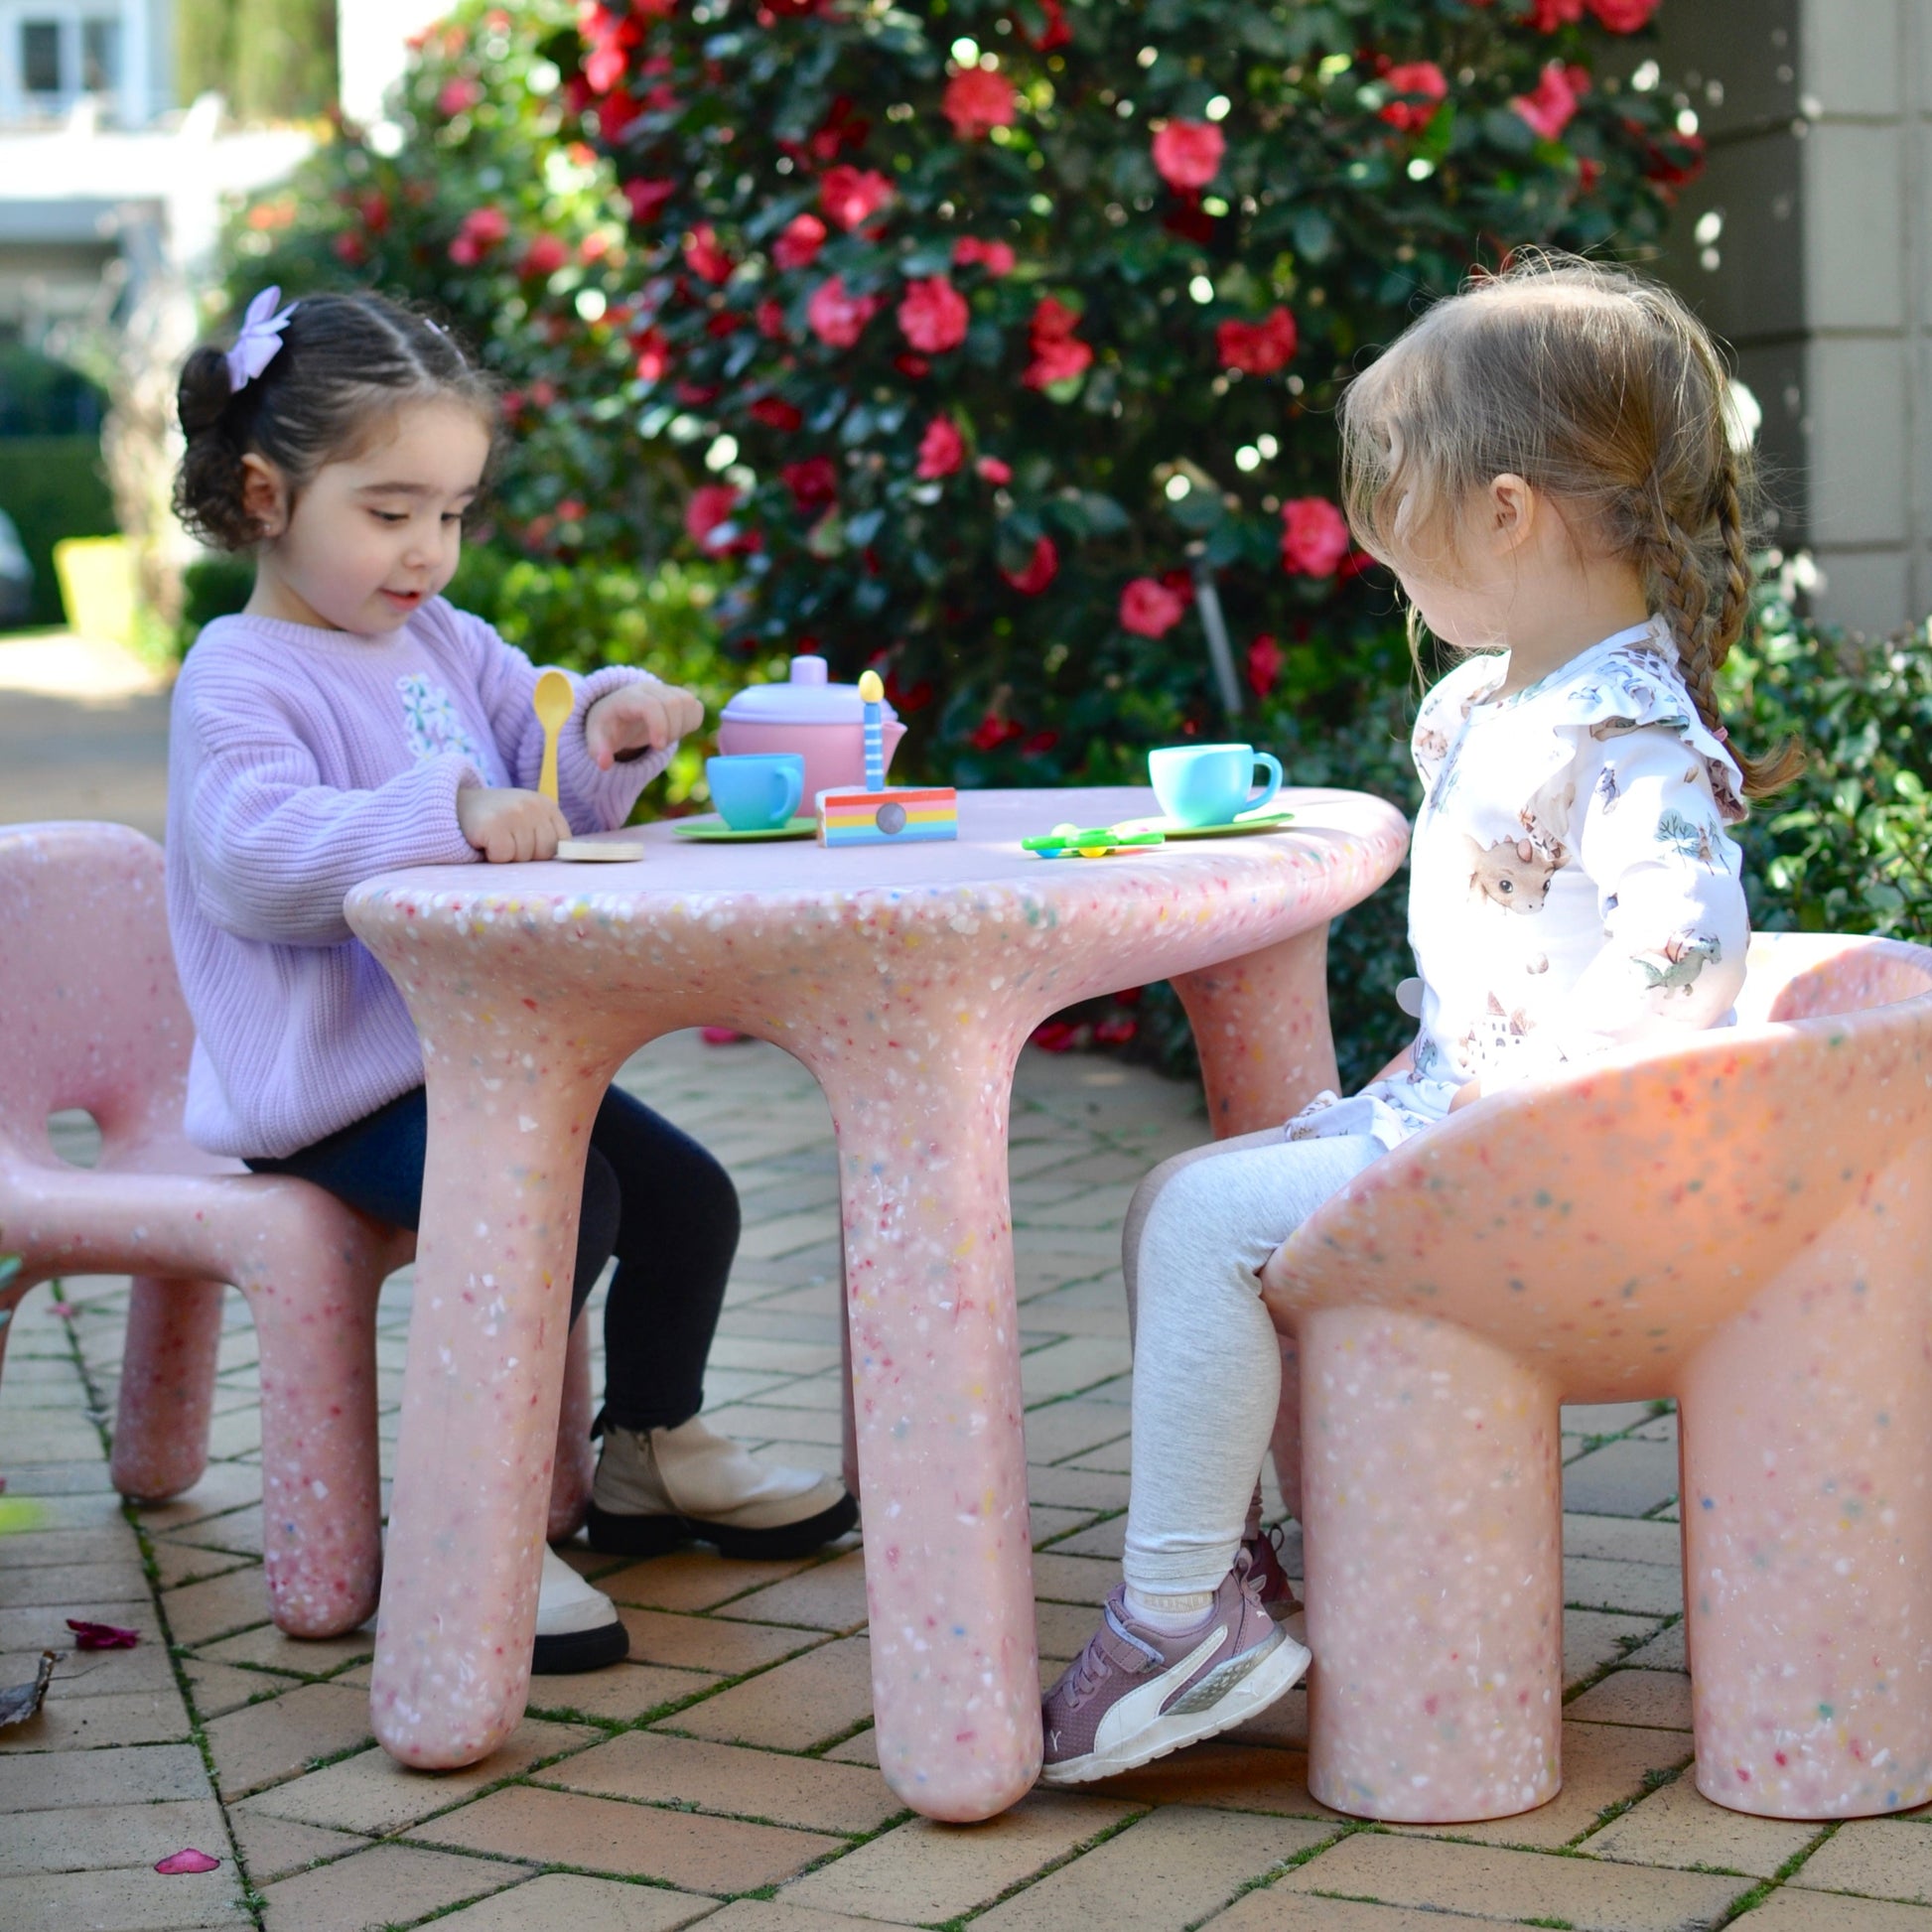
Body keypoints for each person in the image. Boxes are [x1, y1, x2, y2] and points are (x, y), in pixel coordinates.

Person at [1039, 253, 1799, 1784]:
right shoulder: (1502, 701)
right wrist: (1412, 1094)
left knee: (1196, 1225)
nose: (1396, 581)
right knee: (1174, 1204)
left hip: (1551, 1174)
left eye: (1408, 546)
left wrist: (1540, 1102)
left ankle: (1174, 1613)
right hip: (1474, 1130)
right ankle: (1253, 1572)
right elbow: (1487, 975)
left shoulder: (1622, 726)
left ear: (1508, 510)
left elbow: (1687, 940)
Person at [166, 289, 855, 1675]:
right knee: (569, 1199)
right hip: (338, 1086)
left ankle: (648, 1451)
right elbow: (255, 860)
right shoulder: (239, 677)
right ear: (265, 493)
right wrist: (449, 808)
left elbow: (542, 763)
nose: (429, 548)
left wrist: (605, 723)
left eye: (455, 511)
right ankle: (469, 1521)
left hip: (474, 1060)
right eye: (391, 510)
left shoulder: (441, 641)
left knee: (684, 1199)